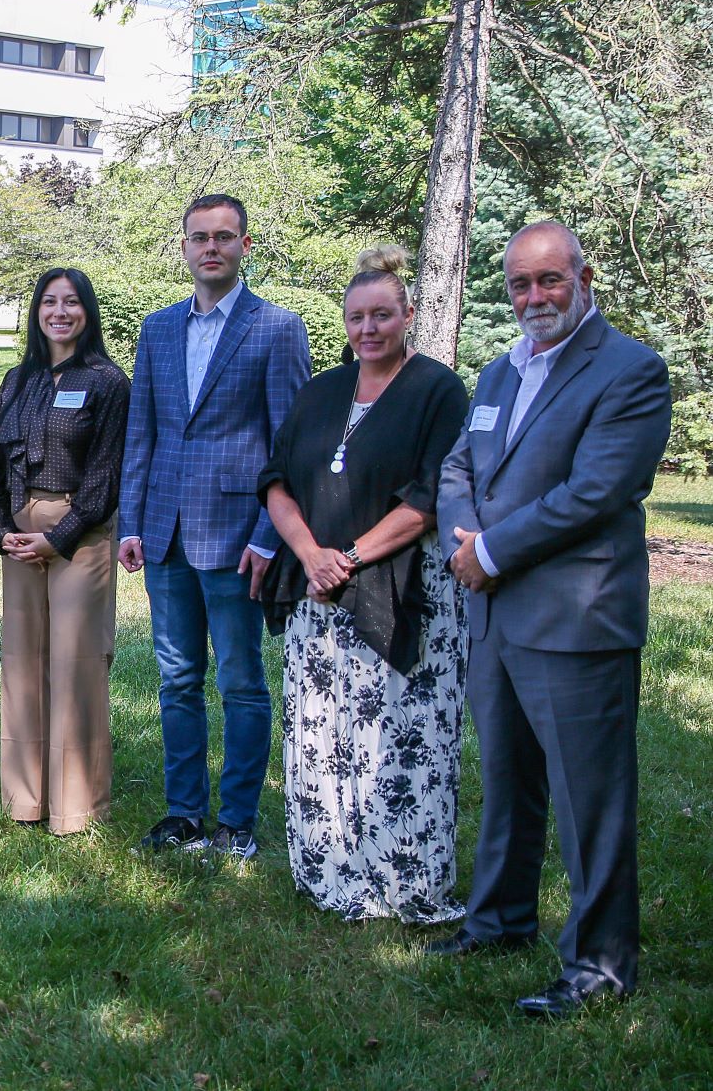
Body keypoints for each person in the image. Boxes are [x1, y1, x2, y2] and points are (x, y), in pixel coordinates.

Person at [428, 222, 671, 1018]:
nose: (534, 298)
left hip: (575, 618)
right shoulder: (500, 373)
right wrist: (468, 539)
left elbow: (597, 493)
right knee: (508, 781)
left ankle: (601, 966)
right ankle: (499, 921)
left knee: (588, 799)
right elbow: (459, 464)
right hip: (495, 614)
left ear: (585, 277)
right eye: (520, 285)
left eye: (550, 282)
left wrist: (489, 549)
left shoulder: (631, 371)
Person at [257, 245, 470, 920]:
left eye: (383, 315)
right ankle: (329, 872)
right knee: (322, 732)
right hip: (317, 588)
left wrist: (345, 557)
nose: (369, 328)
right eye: (357, 317)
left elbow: (429, 497)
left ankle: (404, 881)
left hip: (403, 588)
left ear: (409, 315)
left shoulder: (437, 389)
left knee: (401, 735)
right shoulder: (321, 391)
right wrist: (311, 555)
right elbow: (276, 481)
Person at [119, 193, 310, 859]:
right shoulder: (159, 329)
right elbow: (142, 430)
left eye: (225, 237)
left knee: (240, 681)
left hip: (237, 537)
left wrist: (268, 534)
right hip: (165, 531)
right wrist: (132, 520)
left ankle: (237, 820)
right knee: (176, 679)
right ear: (184, 247)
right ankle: (184, 814)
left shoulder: (276, 329)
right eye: (199, 237)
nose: (212, 247)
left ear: (245, 246)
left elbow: (289, 443)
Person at [0, 268, 129, 835]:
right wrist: (2, 528)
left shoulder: (107, 381)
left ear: (87, 312)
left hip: (80, 535)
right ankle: (25, 800)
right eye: (49, 301)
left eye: (71, 302)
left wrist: (57, 537)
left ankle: (75, 807)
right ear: (36, 312)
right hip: (19, 532)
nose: (59, 311)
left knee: (75, 665)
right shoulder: (17, 379)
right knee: (21, 664)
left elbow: (107, 472)